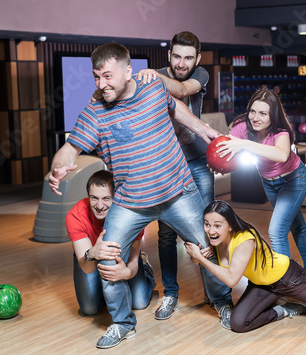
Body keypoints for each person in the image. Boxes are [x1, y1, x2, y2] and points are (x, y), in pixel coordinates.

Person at [49, 43, 232, 349]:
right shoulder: (95, 112)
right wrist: (57, 168)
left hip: (178, 193)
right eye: (96, 77)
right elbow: (70, 148)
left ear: (128, 71)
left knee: (207, 248)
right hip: (131, 203)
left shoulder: (152, 88)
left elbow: (177, 108)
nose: (101, 84)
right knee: (107, 257)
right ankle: (122, 323)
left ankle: (220, 302)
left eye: (107, 76)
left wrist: (202, 129)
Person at [185, 200, 306, 332]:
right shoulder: (218, 241)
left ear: (229, 225)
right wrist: (198, 255)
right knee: (238, 323)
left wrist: (200, 258)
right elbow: (197, 261)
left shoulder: (246, 239)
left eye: (217, 225)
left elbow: (231, 279)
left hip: (289, 278)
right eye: (207, 224)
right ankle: (284, 309)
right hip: (262, 286)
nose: (210, 230)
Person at [137, 31, 214, 320]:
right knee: (167, 235)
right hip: (166, 167)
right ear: (169, 54)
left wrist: (151, 76)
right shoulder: (151, 76)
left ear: (198, 59)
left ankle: (215, 294)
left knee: (208, 231)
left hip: (196, 163)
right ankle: (170, 294)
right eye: (177, 56)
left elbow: (181, 91)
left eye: (188, 58)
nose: (182, 63)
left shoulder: (200, 75)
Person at [216, 88, 306, 284]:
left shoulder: (281, 132)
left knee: (276, 231)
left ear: (272, 115)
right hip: (269, 183)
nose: (256, 118)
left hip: (294, 180)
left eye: (263, 113)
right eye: (252, 111)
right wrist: (220, 164)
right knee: (297, 226)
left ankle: (286, 284)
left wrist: (244, 145)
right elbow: (230, 152)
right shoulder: (241, 127)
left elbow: (282, 155)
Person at [66, 170, 155, 317]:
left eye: (106, 198)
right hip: (89, 256)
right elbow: (86, 267)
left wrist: (128, 272)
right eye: (94, 198)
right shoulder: (75, 215)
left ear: (116, 197)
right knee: (89, 309)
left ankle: (146, 269)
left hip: (122, 255)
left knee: (139, 303)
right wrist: (92, 254)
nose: (99, 205)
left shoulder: (132, 213)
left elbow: (132, 260)